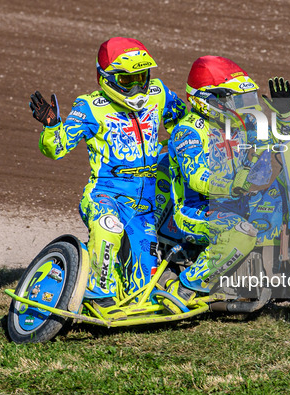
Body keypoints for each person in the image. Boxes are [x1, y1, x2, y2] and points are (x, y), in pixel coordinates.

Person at [29, 37, 186, 318]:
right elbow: (57, 148)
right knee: (108, 227)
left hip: (146, 205)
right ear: (106, 78)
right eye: (129, 80)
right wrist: (52, 126)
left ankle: (94, 274)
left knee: (142, 284)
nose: (138, 86)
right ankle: (97, 293)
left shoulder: (159, 93)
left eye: (142, 77)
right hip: (105, 195)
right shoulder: (90, 106)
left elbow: (183, 125)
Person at [164, 55, 290, 312]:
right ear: (206, 100)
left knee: (286, 201)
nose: (242, 107)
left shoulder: (241, 125)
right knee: (242, 232)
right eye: (234, 100)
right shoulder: (187, 131)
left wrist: (286, 116)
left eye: (245, 99)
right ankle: (186, 288)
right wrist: (235, 184)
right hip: (195, 210)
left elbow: (282, 142)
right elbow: (198, 179)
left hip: (240, 201)